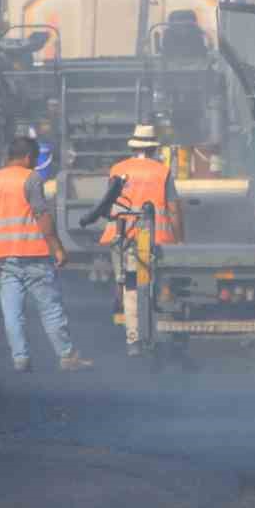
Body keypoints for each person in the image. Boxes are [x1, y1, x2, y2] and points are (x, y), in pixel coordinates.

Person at [0, 134, 92, 372]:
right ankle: (67, 356)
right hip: (32, 255)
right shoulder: (30, 178)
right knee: (50, 308)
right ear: (29, 157)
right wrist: (57, 247)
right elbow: (41, 214)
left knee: (12, 312)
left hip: (1, 256)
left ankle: (20, 358)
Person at [101, 123, 184, 358]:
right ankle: (156, 335)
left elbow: (108, 205)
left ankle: (133, 341)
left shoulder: (117, 169)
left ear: (133, 147)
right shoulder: (162, 171)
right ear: (154, 148)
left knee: (130, 287)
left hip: (124, 238)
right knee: (154, 286)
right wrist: (179, 240)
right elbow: (174, 209)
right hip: (155, 239)